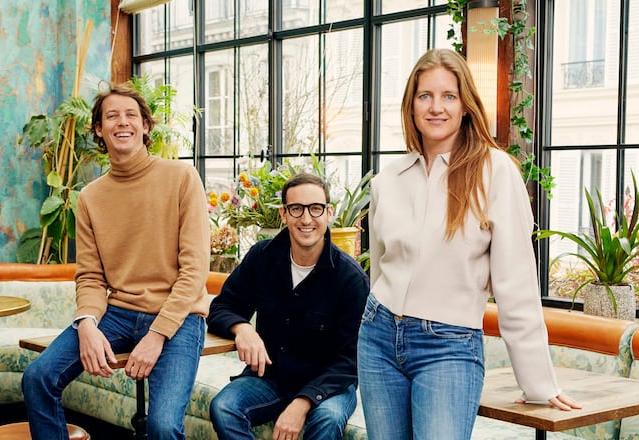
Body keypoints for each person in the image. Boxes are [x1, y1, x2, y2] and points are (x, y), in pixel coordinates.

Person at [358, 48, 582, 440]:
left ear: (465, 106)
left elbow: (516, 286)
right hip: (377, 338)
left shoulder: (495, 172)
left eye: (449, 96)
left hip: (448, 347)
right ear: (411, 105)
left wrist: (538, 383)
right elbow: (380, 268)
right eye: (425, 95)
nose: (436, 107)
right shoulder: (387, 180)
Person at [21, 83, 211, 440]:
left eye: (130, 115)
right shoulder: (91, 197)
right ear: (98, 129)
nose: (121, 123)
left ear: (145, 126)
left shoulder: (181, 178)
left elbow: (195, 271)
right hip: (117, 314)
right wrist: (87, 324)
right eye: (111, 116)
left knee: (163, 425)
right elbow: (90, 276)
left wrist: (157, 335)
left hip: (178, 317)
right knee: (38, 377)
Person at [207, 173, 370, 440]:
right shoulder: (262, 256)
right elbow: (221, 307)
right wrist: (242, 329)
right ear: (284, 214)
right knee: (224, 407)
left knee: (327, 420)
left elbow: (351, 362)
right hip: (272, 378)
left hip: (328, 386)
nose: (306, 219)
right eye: (296, 209)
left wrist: (303, 402)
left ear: (329, 213)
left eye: (315, 208)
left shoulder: (351, 279)